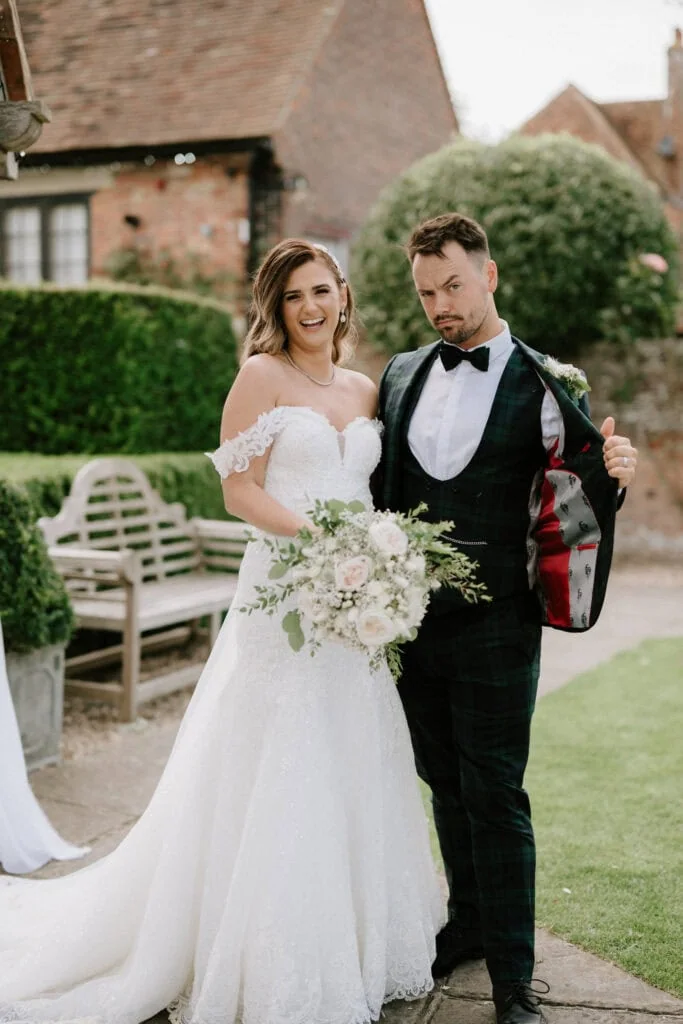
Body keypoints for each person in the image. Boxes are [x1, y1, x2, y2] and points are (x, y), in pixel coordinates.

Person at [0, 239, 443, 1024]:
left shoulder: (366, 389)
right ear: (274, 308)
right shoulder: (260, 377)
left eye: (320, 291)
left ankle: (351, 942)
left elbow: (373, 490)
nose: (310, 308)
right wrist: (322, 544)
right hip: (283, 593)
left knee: (351, 752)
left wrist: (375, 563)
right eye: (292, 297)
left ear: (343, 295)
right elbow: (238, 491)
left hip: (353, 608)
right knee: (281, 756)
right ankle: (265, 954)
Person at [372, 212, 638, 1024]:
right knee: (442, 781)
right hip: (409, 618)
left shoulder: (547, 380)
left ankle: (515, 978)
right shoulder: (399, 372)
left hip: (498, 623)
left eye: (452, 285)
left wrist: (616, 472)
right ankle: (468, 926)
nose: (440, 306)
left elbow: (585, 479)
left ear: (488, 275)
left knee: (495, 791)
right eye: (426, 293)